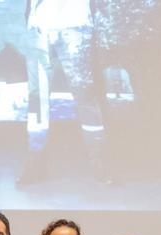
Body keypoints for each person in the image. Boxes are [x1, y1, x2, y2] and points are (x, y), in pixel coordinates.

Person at [17, 0, 108, 186]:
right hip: (39, 28)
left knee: (86, 96)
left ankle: (100, 162)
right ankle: (35, 162)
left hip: (75, 26)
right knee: (38, 99)